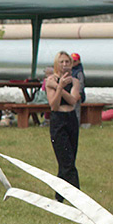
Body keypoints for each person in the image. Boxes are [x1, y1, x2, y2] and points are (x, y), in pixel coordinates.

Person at [45, 51, 82, 203]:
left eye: (67, 62)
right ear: (57, 64)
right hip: (58, 120)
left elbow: (73, 100)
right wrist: (59, 87)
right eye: (62, 62)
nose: (65, 65)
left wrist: (60, 87)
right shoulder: (50, 81)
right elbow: (53, 105)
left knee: (69, 160)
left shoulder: (75, 81)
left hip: (71, 119)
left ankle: (59, 197)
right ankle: (79, 200)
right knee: (66, 161)